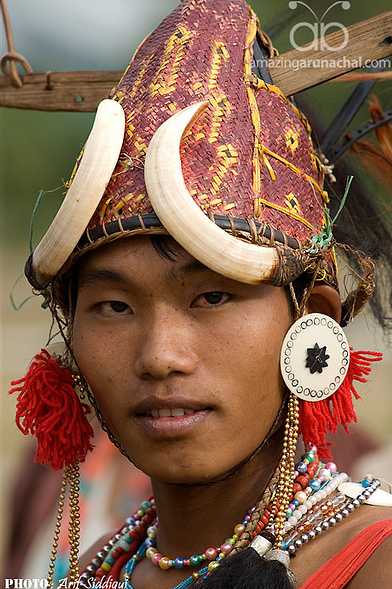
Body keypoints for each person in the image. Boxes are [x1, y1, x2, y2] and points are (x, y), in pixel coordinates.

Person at [9, 0, 392, 587]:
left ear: (314, 322)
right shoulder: (92, 573)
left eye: (211, 297)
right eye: (114, 306)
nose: (160, 356)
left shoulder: (375, 564)